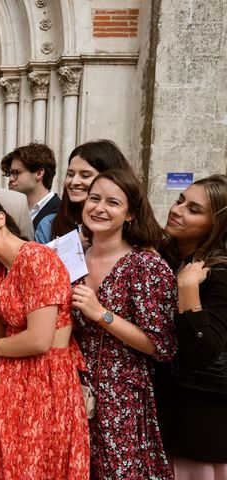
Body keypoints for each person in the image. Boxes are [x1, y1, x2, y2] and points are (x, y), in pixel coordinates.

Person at [0, 195, 89, 479]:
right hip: (12, 384)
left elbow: (40, 340)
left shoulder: (37, 258)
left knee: (37, 469)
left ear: (0, 219)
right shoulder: (5, 267)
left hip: (43, 383)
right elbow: (13, 334)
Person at [70, 169, 176, 479]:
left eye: (113, 202)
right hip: (74, 391)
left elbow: (162, 346)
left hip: (122, 397)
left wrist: (101, 313)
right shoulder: (71, 257)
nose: (100, 208)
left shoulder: (145, 264)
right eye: (94, 199)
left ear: (129, 213)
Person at [155, 174, 227, 479]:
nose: (177, 210)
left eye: (193, 210)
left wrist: (188, 291)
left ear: (217, 225)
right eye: (180, 200)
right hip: (166, 413)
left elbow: (205, 351)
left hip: (199, 423)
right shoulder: (166, 256)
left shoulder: (218, 273)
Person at [35, 139, 132, 245]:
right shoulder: (49, 224)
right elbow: (36, 260)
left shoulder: (132, 233)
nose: (74, 182)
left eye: (85, 175)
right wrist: (71, 245)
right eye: (70, 174)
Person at [0, 143, 60, 230]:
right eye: (10, 173)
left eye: (17, 172)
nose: (11, 179)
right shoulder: (12, 210)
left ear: (39, 173)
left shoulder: (61, 213)